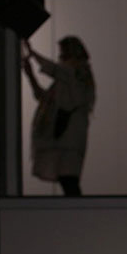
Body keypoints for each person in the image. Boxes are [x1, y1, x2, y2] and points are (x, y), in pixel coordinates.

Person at [22, 36, 96, 196]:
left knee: (68, 178)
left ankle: (76, 209)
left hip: (70, 135)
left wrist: (33, 54)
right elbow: (45, 98)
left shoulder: (79, 73)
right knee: (66, 178)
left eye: (64, 53)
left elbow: (56, 70)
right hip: (61, 135)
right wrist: (30, 75)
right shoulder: (65, 80)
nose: (61, 57)